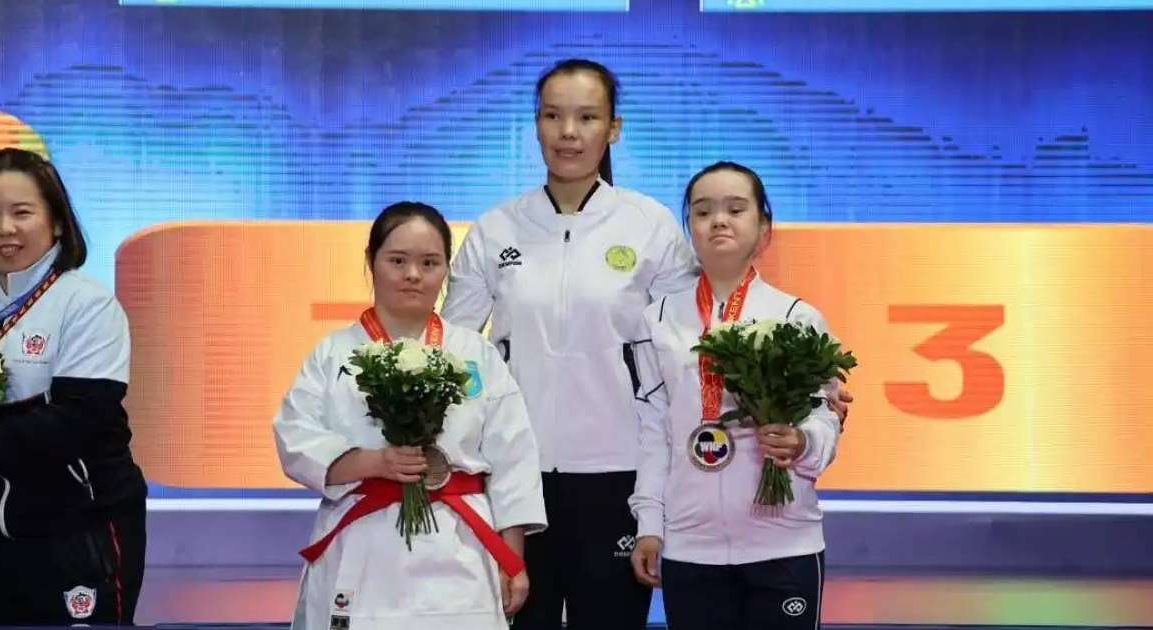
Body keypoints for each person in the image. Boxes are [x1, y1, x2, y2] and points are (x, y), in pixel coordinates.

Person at [441, 58, 697, 630]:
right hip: (515, 475)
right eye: (553, 116)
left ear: (614, 128)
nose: (568, 133)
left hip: (617, 473)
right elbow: (454, 352)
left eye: (587, 117)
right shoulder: (496, 229)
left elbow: (685, 352)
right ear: (536, 125)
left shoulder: (650, 226)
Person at [274, 201, 546, 630]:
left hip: (459, 546)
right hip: (363, 543)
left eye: (429, 263)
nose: (413, 274)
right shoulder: (333, 353)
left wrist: (512, 560)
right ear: (371, 261)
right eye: (397, 260)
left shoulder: (475, 353)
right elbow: (295, 437)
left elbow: (513, 458)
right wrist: (374, 462)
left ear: (446, 270)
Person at [628, 161, 840, 630]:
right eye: (703, 212)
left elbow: (825, 416)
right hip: (690, 546)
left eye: (736, 209)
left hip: (784, 543)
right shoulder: (656, 319)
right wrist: (650, 525)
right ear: (690, 229)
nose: (718, 221)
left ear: (764, 227)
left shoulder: (797, 317)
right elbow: (654, 431)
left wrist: (802, 443)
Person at [0, 147, 147, 625]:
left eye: (22, 213)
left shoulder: (86, 303)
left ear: (57, 222)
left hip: (80, 533)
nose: (5, 229)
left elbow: (80, 420)